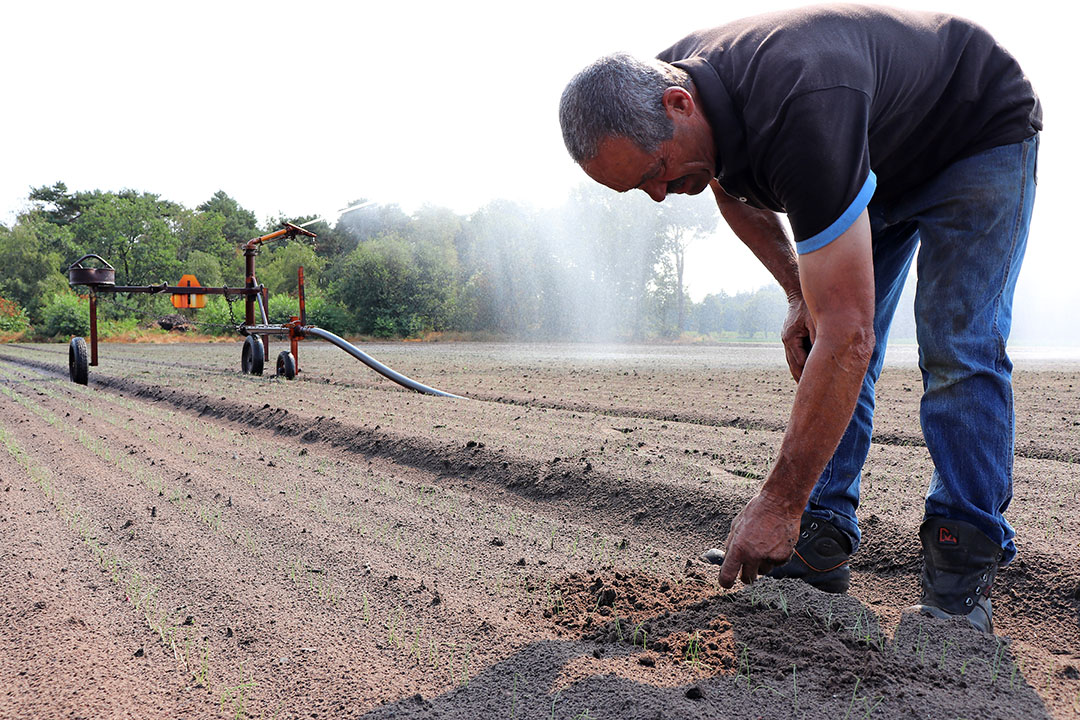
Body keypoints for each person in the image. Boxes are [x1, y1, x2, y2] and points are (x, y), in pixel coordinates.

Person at [559, 4, 1041, 633]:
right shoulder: (663, 88)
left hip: (973, 127)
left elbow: (850, 336)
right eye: (638, 188)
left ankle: (962, 545)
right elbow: (725, 183)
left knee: (956, 346)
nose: (658, 194)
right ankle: (821, 533)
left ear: (680, 106)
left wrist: (777, 499)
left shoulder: (800, 102)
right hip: (873, 150)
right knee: (827, 334)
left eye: (655, 172)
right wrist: (796, 292)